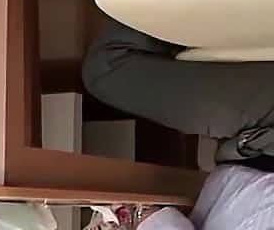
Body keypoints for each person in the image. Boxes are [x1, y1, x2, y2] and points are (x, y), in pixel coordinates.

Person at [82, 17, 274, 229]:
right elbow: (150, 215)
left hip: (254, 147)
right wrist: (129, 217)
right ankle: (205, 4)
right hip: (263, 139)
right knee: (107, 68)